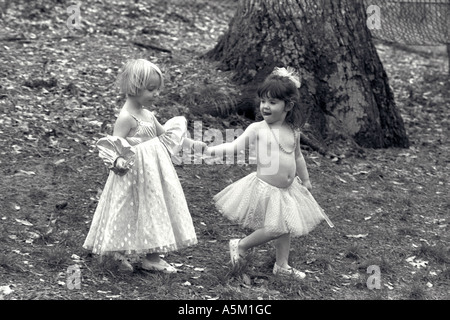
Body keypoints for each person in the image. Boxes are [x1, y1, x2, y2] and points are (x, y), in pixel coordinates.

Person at [205, 67, 334, 280]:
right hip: (266, 189)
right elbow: (234, 147)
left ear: (288, 106)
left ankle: (281, 264)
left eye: (272, 102)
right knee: (277, 227)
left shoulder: (293, 130)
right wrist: (210, 150)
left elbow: (298, 156)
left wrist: (307, 179)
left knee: (286, 227)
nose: (265, 106)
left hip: (288, 189)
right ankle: (241, 245)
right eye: (263, 101)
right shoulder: (258, 129)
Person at [83, 59, 205, 273]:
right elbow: (114, 145)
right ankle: (114, 252)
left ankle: (153, 256)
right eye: (151, 89)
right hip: (131, 175)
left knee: (155, 208)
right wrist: (118, 160)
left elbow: (165, 135)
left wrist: (191, 144)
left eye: (157, 88)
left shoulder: (147, 115)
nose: (156, 94)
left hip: (154, 175)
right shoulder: (126, 119)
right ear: (134, 88)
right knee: (124, 209)